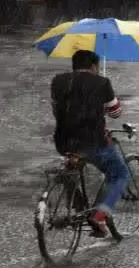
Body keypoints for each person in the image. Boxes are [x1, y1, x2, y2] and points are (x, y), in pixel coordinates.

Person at [50, 50, 129, 238]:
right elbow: (115, 113)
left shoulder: (58, 81)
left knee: (73, 165)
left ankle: (76, 202)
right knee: (119, 173)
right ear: (94, 66)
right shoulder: (102, 83)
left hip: (64, 140)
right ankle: (99, 215)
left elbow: (56, 109)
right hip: (92, 141)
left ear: (74, 65)